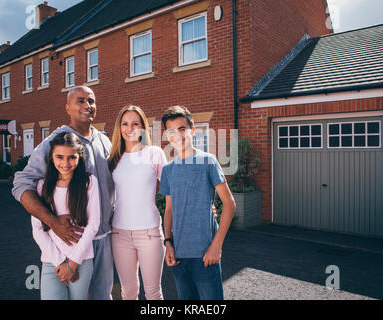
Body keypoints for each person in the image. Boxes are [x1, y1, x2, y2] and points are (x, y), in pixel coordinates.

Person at [12, 86, 115, 300]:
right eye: (80, 101)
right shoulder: (56, 142)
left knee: (102, 296)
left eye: (91, 100)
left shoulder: (104, 141)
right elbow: (22, 184)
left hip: (104, 238)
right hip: (72, 242)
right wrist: (52, 221)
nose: (88, 105)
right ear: (67, 107)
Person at [159, 105, 236, 300]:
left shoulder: (208, 162)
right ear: (168, 137)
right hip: (178, 256)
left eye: (182, 129)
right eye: (172, 131)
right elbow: (169, 210)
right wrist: (168, 243)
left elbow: (229, 204)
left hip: (205, 256)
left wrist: (216, 246)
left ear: (192, 130)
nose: (178, 135)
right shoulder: (168, 170)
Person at [109, 105, 167, 300]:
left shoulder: (155, 153)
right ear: (119, 127)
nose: (129, 128)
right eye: (125, 124)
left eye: (135, 123)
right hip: (119, 234)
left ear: (143, 127)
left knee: (153, 293)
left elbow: (173, 191)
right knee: (128, 292)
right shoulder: (113, 159)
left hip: (149, 233)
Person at [32, 132, 100, 300]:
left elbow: (93, 225)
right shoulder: (42, 186)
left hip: (81, 260)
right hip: (51, 261)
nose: (65, 163)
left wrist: (73, 263)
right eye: (59, 157)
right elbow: (37, 229)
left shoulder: (89, 183)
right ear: (51, 157)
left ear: (80, 157)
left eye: (72, 157)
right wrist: (61, 264)